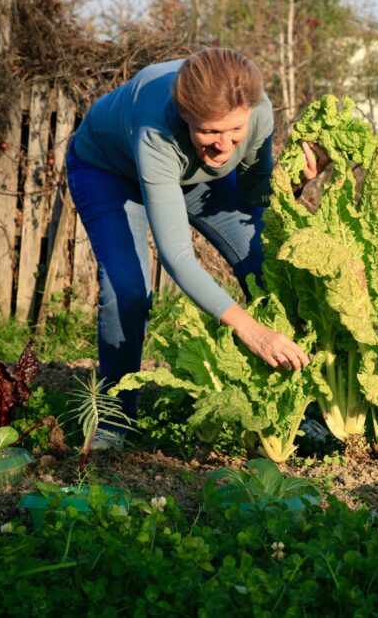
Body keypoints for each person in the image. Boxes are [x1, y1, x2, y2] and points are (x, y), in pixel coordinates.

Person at [66, 48, 324, 449]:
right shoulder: (157, 129)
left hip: (194, 178)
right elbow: (177, 256)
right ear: (185, 114)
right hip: (109, 172)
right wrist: (252, 332)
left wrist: (300, 181)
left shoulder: (257, 114)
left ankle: (299, 411)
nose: (224, 146)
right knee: (128, 292)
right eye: (211, 132)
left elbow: (258, 196)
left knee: (267, 267)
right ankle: (114, 422)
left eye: (234, 133)